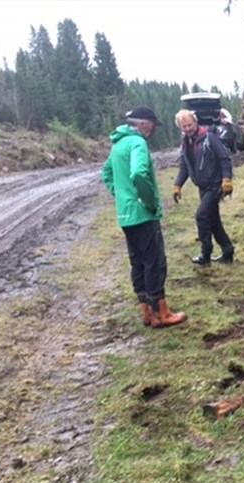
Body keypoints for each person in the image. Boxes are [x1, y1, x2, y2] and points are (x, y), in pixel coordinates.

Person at [101, 106, 187, 328]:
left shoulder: (118, 143)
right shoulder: (137, 143)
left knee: (138, 262)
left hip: (126, 214)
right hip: (142, 214)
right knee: (155, 262)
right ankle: (161, 313)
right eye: (152, 127)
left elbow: (107, 173)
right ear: (142, 124)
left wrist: (121, 195)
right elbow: (139, 173)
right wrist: (147, 201)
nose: (153, 131)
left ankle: (146, 311)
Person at [172, 109, 235, 265]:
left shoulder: (209, 137)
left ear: (195, 122)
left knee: (201, 215)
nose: (187, 129)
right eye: (184, 127)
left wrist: (227, 179)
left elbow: (224, 158)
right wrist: (177, 184)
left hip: (215, 185)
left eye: (189, 125)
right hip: (202, 186)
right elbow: (185, 166)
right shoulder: (186, 142)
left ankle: (205, 254)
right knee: (213, 220)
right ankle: (227, 251)